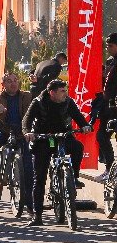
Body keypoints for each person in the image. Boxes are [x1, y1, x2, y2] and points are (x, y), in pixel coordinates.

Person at [23, 79, 91, 226]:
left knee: (77, 147)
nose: (65, 93)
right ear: (52, 93)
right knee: (39, 178)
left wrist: (85, 126)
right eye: (62, 91)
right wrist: (28, 132)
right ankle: (37, 215)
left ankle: (74, 177)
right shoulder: (38, 102)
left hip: (63, 136)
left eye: (65, 90)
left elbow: (78, 117)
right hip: (43, 139)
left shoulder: (68, 102)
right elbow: (26, 120)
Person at [0, 71, 34, 200]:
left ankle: (29, 199)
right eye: (9, 81)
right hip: (4, 131)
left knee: (28, 165)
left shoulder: (27, 96)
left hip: (22, 133)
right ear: (3, 84)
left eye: (15, 80)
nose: (13, 83)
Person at [96, 33, 117, 179]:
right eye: (107, 45)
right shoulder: (110, 61)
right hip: (107, 106)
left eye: (111, 46)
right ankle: (110, 168)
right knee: (102, 136)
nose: (107, 48)